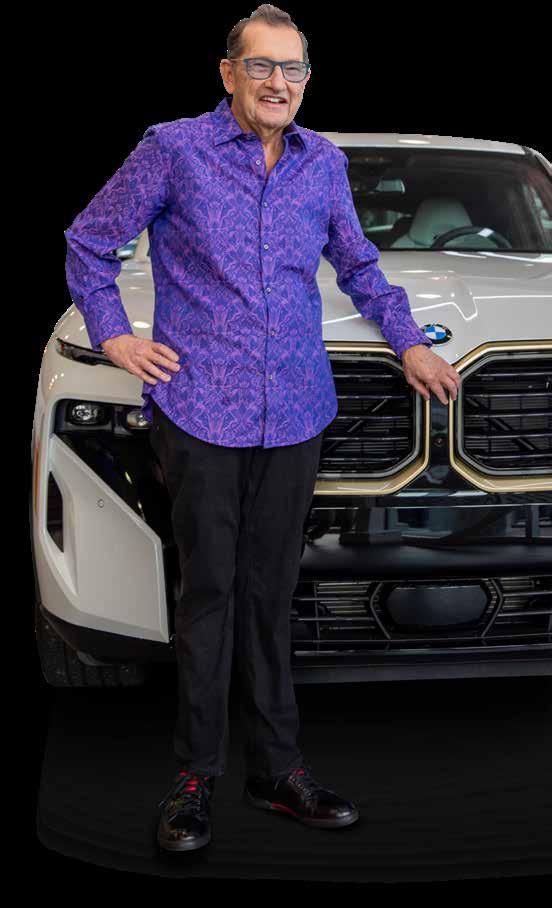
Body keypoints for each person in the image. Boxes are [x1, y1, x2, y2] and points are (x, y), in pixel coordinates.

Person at [64, 4, 461, 853]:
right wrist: (116, 336)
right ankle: (194, 778)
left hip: (296, 409)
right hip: (202, 407)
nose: (279, 83)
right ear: (228, 73)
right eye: (261, 66)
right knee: (209, 594)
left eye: (293, 69)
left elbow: (358, 264)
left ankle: (277, 771)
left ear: (307, 80)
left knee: (270, 596)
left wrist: (407, 342)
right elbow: (90, 243)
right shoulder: (173, 150)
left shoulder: (322, 163)